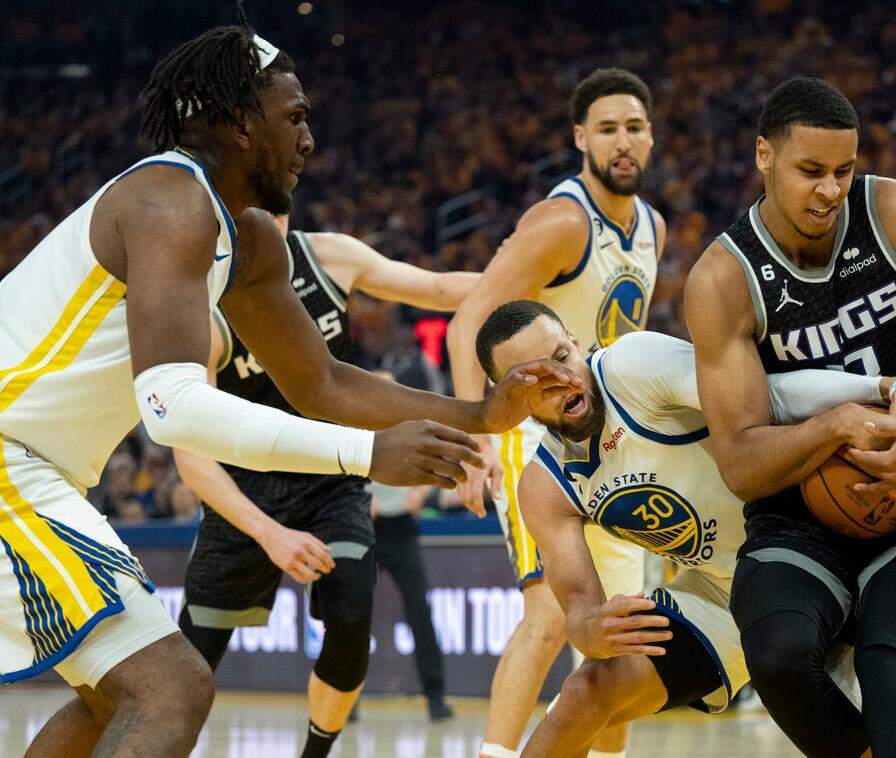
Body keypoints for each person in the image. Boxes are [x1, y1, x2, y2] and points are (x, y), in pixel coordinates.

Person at [0, 16, 566, 758]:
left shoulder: (251, 239)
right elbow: (170, 407)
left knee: (123, 698)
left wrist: (482, 413)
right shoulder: (168, 200)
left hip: (38, 469)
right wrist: (368, 455)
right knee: (170, 686)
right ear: (238, 123)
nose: (309, 140)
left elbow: (321, 380)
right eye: (294, 117)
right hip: (10, 457)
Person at [684, 77, 896, 757]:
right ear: (763, 155)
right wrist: (838, 425)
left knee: (892, 673)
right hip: (797, 507)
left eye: (843, 170)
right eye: (810, 171)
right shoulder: (724, 279)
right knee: (778, 654)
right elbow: (741, 463)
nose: (830, 189)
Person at [473, 301, 896, 757]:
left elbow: (768, 393)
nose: (561, 379)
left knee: (874, 730)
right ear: (508, 400)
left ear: (576, 343)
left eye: (562, 357)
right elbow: (578, 613)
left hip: (805, 546)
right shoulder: (542, 486)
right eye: (535, 381)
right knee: (585, 693)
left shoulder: (632, 365)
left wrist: (882, 388)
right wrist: (593, 630)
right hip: (716, 594)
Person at [172, 217, 478, 757]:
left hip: (330, 481)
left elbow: (435, 288)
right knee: (185, 673)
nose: (270, 216)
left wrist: (530, 274)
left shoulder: (328, 257)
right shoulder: (203, 301)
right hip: (244, 497)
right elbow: (189, 455)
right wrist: (270, 535)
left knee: (352, 614)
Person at [445, 68, 663, 758]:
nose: (622, 142)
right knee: (547, 610)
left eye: (633, 127)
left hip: (608, 440)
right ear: (580, 139)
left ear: (651, 136)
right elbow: (467, 321)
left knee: (617, 628)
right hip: (535, 433)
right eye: (607, 129)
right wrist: (475, 436)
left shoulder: (651, 224)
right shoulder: (563, 221)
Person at [371, 483, 453, 720]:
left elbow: (434, 454)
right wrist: (354, 497)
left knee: (420, 613)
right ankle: (345, 701)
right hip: (363, 525)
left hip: (401, 527)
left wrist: (422, 489)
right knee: (353, 615)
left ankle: (435, 696)